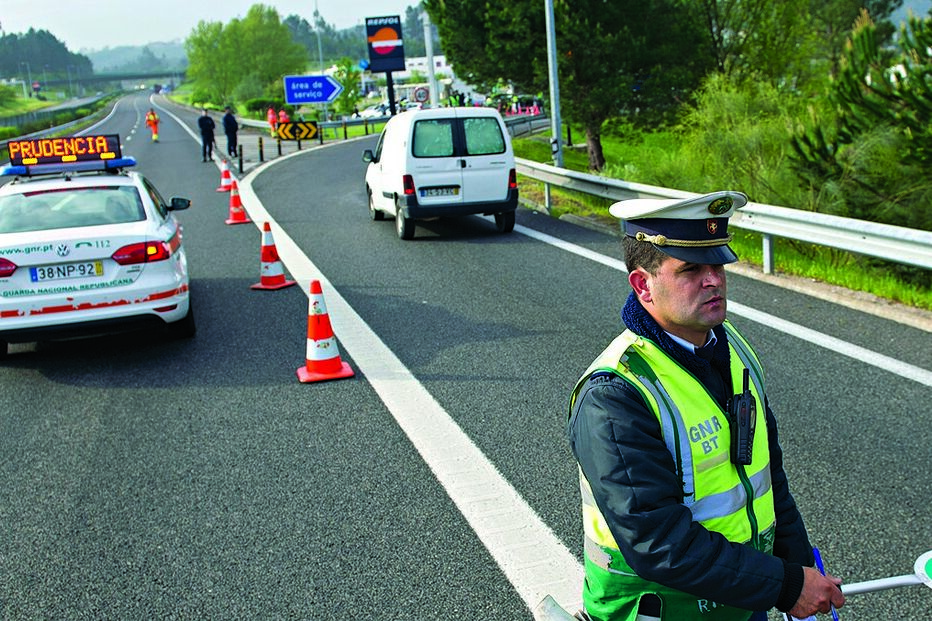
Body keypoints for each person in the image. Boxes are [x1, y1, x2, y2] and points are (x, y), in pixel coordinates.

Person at [566, 191, 846, 621]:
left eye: (717, 265)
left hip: (743, 601)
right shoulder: (615, 394)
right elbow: (658, 543)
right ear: (643, 285)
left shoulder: (733, 349)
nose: (713, 279)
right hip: (662, 613)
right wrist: (786, 585)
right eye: (691, 270)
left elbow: (769, 476)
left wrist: (799, 567)